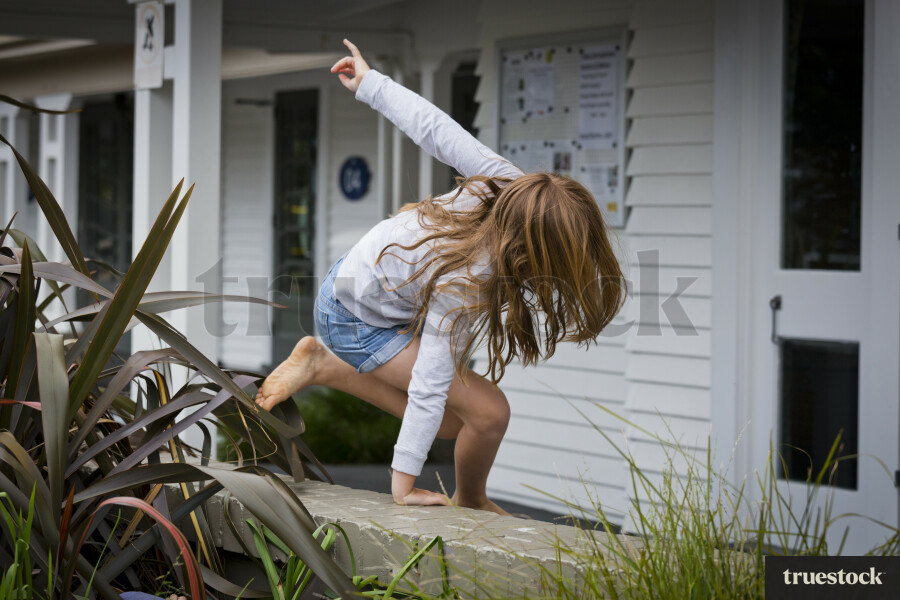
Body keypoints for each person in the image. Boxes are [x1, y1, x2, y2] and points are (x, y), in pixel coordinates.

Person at [256, 39, 625, 515]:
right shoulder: (469, 279)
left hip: (364, 284)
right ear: (530, 249)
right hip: (354, 316)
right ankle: (469, 498)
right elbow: (430, 378)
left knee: (455, 422)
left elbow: (435, 128)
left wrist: (371, 83)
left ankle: (324, 367)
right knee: (487, 413)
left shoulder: (508, 185)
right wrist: (402, 483)